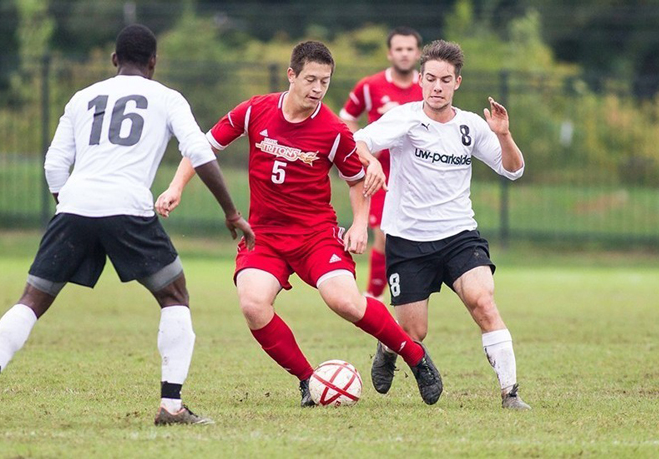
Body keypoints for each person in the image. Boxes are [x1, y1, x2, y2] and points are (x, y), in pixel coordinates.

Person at [0, 24, 254, 428]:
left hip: (74, 205)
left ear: (113, 60)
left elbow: (54, 165)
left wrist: (68, 204)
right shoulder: (166, 98)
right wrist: (231, 212)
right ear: (153, 63)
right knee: (175, 297)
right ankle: (172, 406)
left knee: (31, 301)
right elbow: (199, 152)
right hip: (128, 207)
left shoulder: (82, 98)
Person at [156, 41, 443, 406]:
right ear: (291, 75)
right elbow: (203, 147)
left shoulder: (333, 130)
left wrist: (358, 224)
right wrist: (175, 187)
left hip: (316, 236)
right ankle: (309, 381)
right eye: (310, 79)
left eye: (325, 81)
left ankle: (415, 357)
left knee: (345, 302)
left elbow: (355, 179)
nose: (318, 89)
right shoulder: (256, 109)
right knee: (253, 305)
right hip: (264, 237)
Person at [353, 40, 532, 410]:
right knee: (414, 332)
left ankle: (510, 392)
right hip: (408, 240)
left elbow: (514, 170)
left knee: (482, 299)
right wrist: (371, 162)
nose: (437, 86)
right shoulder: (405, 118)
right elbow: (358, 140)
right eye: (431, 78)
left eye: (445, 80)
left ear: (457, 83)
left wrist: (502, 133)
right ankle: (388, 348)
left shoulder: (470, 126)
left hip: (458, 236)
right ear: (420, 80)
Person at [339, 26, 423, 302]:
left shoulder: (427, 86)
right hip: (380, 173)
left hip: (416, 173)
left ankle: (409, 292)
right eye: (399, 49)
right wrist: (361, 150)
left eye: (410, 49)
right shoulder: (370, 85)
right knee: (385, 237)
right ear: (390, 53)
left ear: (418, 53)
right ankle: (372, 296)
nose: (404, 54)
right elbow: (347, 117)